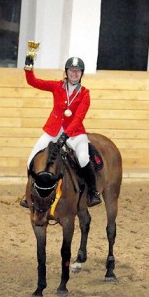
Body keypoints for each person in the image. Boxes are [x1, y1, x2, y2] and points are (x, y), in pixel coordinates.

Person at [23, 54, 101, 207]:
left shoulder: (85, 94)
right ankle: (29, 194)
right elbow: (33, 82)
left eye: (78, 71)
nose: (74, 73)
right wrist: (28, 67)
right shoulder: (57, 86)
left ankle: (93, 192)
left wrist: (66, 135)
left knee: (84, 158)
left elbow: (79, 117)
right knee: (31, 159)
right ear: (66, 72)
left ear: (81, 74)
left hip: (75, 134)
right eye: (71, 70)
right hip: (53, 131)